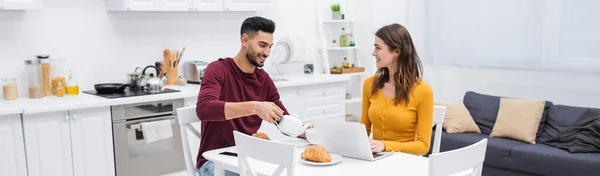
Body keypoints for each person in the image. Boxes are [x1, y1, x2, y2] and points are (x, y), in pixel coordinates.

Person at [195, 16, 288, 176]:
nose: (267, 53)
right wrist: (255, 107)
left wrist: (308, 132)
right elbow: (204, 109)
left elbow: (282, 118)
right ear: (245, 40)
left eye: (270, 47)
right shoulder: (218, 69)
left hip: (248, 160)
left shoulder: (263, 80)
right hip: (213, 163)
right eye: (262, 45)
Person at [361, 23, 434, 156]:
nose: (373, 53)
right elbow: (363, 130)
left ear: (397, 51)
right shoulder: (369, 84)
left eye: (378, 48)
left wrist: (385, 146)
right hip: (377, 159)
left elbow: (423, 146)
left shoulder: (423, 91)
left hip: (406, 161)